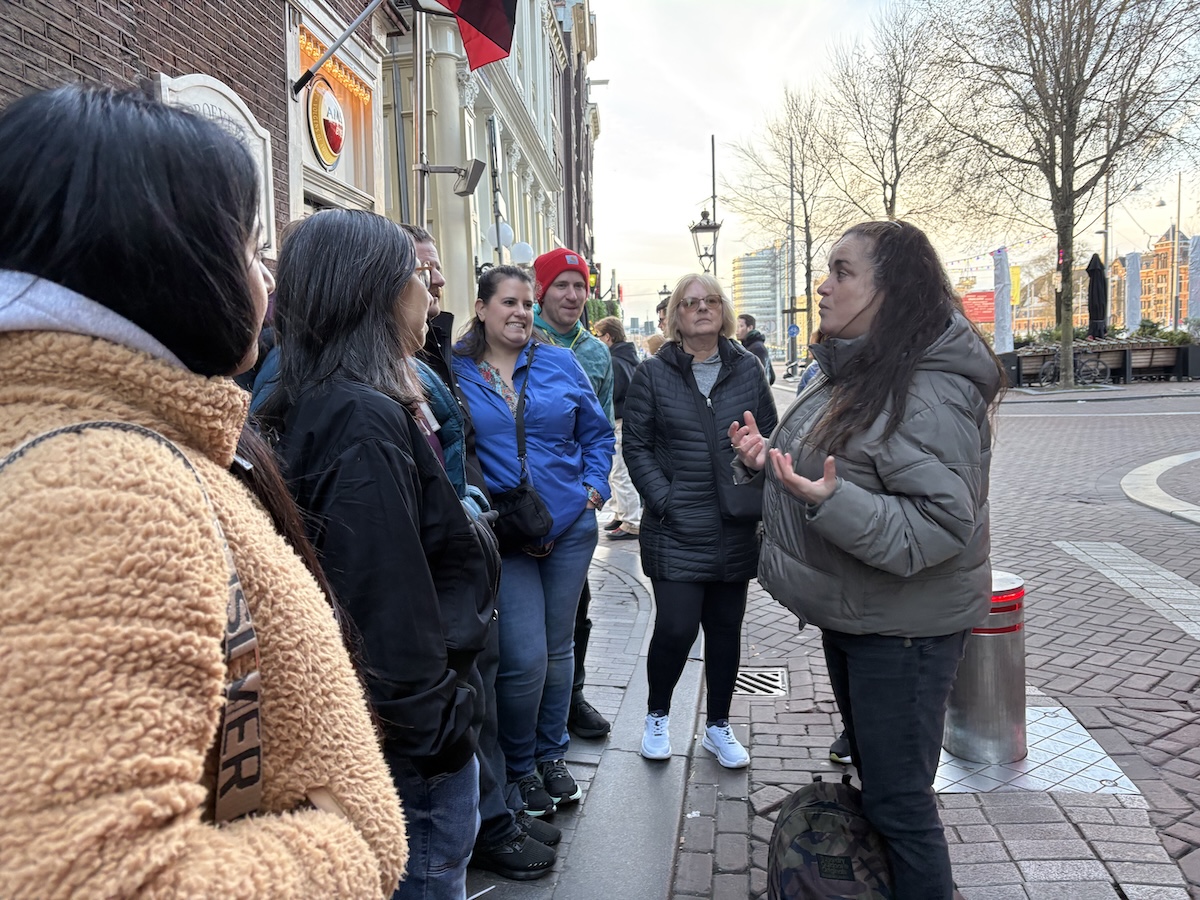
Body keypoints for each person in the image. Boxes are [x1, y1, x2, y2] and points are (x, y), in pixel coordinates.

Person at [0, 86, 407, 897]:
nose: (266, 282)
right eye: (253, 249)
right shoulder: (108, 489)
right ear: (171, 257)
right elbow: (88, 878)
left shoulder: (117, 441)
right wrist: (351, 844)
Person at [730, 220, 1003, 900]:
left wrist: (833, 502)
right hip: (864, 617)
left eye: (843, 271)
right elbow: (839, 468)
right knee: (884, 794)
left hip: (904, 634)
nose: (824, 285)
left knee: (900, 806)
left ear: (893, 289)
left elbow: (940, 526)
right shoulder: (862, 369)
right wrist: (771, 462)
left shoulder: (927, 389)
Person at [256, 210, 493, 900]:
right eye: (419, 275)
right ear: (377, 292)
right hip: (410, 742)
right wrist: (442, 730)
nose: (431, 291)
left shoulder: (329, 398)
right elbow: (383, 600)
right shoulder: (361, 417)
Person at [399, 226, 560, 881]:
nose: (437, 280)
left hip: (468, 555)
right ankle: (487, 824)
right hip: (440, 571)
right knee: (475, 690)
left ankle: (497, 811)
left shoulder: (423, 351)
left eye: (438, 269)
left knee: (489, 685)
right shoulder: (405, 366)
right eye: (422, 270)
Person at [453, 266, 614, 818]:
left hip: (569, 528)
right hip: (508, 534)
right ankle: (519, 769)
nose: (520, 312)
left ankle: (551, 756)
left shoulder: (560, 361)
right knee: (524, 658)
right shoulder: (456, 372)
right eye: (508, 302)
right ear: (481, 308)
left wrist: (593, 487)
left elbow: (598, 431)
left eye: (527, 303)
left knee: (560, 645)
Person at [623, 274, 778, 769]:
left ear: (724, 311)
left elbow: (770, 433)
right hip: (676, 527)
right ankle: (657, 714)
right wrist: (664, 499)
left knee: (726, 630)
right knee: (675, 627)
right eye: (691, 303)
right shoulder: (653, 373)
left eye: (711, 300)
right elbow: (637, 445)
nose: (702, 309)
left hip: (734, 523)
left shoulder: (748, 368)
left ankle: (717, 726)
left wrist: (754, 459)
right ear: (675, 317)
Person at [531, 248, 615, 741]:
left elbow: (601, 428)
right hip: (520, 508)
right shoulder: (517, 337)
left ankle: (571, 695)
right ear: (541, 291)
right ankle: (530, 698)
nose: (572, 295)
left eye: (579, 286)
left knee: (575, 606)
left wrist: (594, 488)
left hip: (573, 509)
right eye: (561, 285)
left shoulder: (595, 352)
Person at [593, 316, 642, 542]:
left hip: (620, 421)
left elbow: (610, 395)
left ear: (608, 337)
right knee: (617, 472)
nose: (596, 341)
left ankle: (631, 521)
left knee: (621, 473)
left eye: (598, 336)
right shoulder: (629, 358)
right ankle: (622, 514)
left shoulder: (613, 361)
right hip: (628, 421)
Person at [736, 313, 775, 385]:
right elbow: (772, 377)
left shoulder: (756, 348)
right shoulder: (750, 346)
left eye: (740, 326)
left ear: (750, 328)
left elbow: (758, 377)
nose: (737, 330)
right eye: (736, 326)